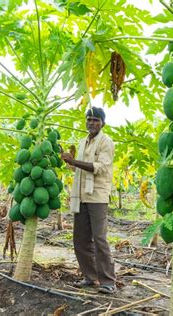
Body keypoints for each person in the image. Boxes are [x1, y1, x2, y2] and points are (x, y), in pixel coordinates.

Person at [61, 107, 116, 294]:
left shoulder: (106, 142)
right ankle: (90, 277)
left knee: (100, 239)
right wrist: (67, 161)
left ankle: (108, 281)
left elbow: (98, 167)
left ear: (103, 123)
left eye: (95, 120)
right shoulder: (83, 142)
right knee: (80, 240)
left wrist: (74, 161)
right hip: (82, 196)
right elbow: (77, 169)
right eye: (89, 119)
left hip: (97, 197)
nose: (92, 123)